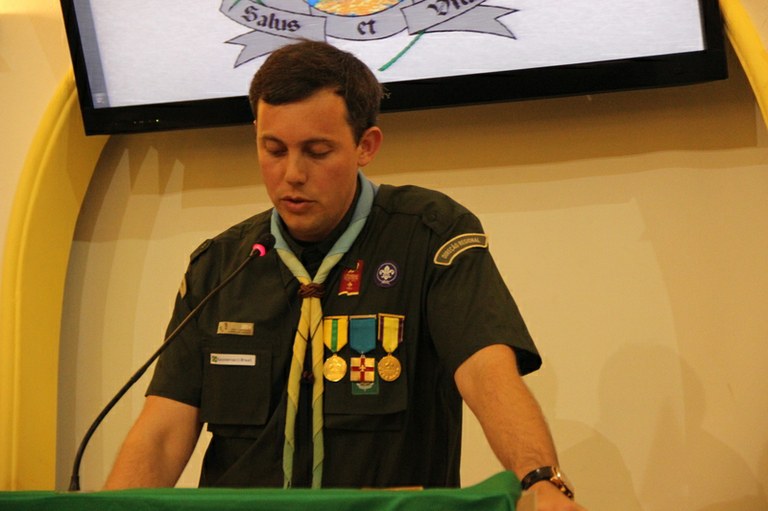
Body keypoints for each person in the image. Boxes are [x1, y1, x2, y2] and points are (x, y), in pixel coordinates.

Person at [104, 40, 585, 510]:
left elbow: (486, 373)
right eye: (274, 149)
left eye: (317, 151)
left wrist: (541, 479)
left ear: (365, 146)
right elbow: (164, 431)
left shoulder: (430, 236)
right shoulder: (221, 265)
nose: (292, 173)